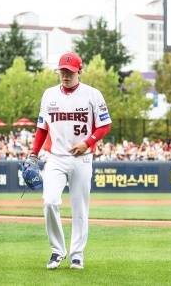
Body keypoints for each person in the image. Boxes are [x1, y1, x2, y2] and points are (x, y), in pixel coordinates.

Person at [25, 51, 112, 270]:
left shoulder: (92, 94)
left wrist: (88, 142)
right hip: (55, 158)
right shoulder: (49, 95)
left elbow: (105, 125)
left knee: (79, 208)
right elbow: (42, 128)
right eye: (62, 71)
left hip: (82, 158)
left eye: (70, 72)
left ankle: (77, 255)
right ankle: (57, 251)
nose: (65, 75)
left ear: (79, 71)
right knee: (50, 201)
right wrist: (33, 153)